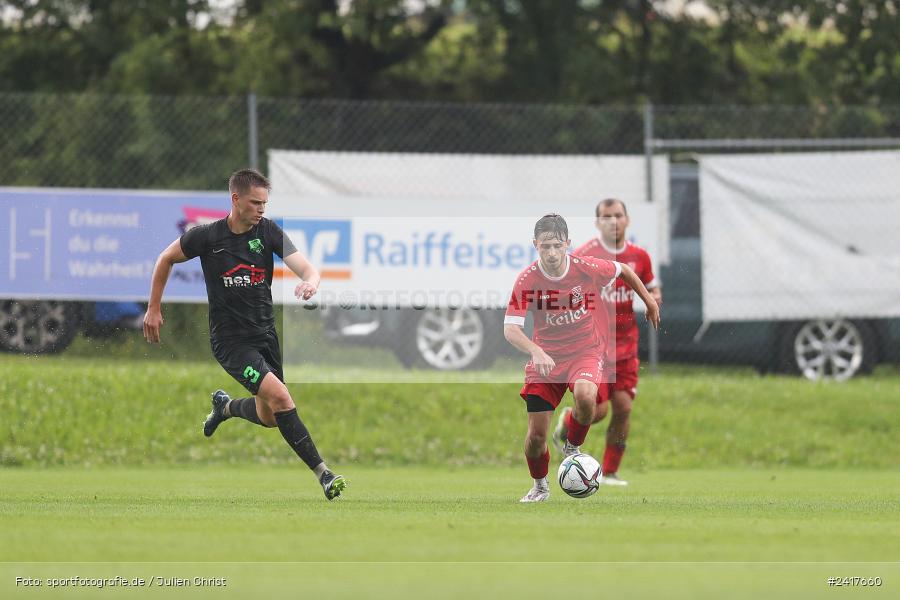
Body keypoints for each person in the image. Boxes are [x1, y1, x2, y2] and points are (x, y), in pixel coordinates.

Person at [143, 168, 346, 500]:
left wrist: (310, 281)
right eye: (255, 203)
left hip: (265, 337)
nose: (262, 210)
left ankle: (226, 408)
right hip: (232, 343)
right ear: (236, 199)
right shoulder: (207, 237)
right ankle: (324, 475)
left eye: (265, 203)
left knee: (269, 416)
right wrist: (153, 308)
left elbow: (308, 269)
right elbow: (165, 259)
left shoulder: (267, 232)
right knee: (281, 398)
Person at [504, 214, 659, 503]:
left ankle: (572, 449)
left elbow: (623, 269)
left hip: (584, 351)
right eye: (545, 246)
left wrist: (648, 300)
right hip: (546, 360)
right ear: (535, 245)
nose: (551, 252)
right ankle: (539, 486)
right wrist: (536, 351)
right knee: (536, 438)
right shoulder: (527, 280)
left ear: (568, 244)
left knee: (588, 398)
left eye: (557, 245)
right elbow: (511, 329)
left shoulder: (584, 267)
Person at [554, 198, 662, 486]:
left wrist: (655, 298)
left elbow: (652, 286)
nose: (613, 221)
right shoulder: (588, 254)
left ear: (627, 220)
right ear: (597, 222)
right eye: (606, 216)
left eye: (618, 215)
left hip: (627, 346)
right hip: (595, 346)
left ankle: (611, 471)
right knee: (598, 411)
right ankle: (567, 425)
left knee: (624, 407)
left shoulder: (640, 256)